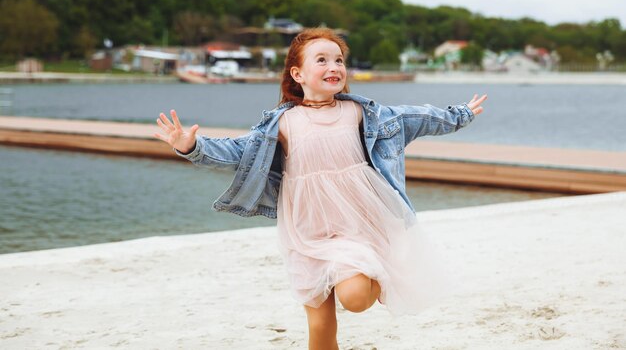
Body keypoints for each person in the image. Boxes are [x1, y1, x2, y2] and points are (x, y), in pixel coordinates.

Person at [154, 28, 487, 350]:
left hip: (358, 224)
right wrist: (191, 146)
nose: (334, 67)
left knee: (355, 298)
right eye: (323, 60)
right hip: (305, 231)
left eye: (339, 60)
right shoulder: (282, 123)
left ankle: (380, 270)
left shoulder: (359, 113)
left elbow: (416, 118)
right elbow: (238, 152)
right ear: (297, 74)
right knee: (320, 324)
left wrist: (460, 114)